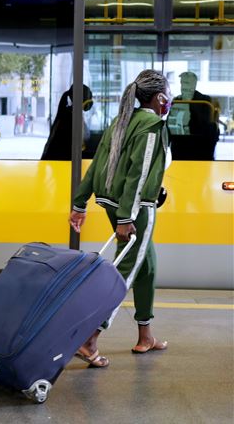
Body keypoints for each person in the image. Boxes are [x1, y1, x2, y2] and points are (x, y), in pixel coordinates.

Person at [69, 69, 171, 368]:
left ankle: (145, 336)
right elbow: (139, 175)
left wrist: (80, 202)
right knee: (124, 272)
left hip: (113, 202)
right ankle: (90, 339)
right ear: (159, 96)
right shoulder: (152, 125)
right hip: (135, 209)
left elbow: (97, 162)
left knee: (147, 266)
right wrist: (128, 216)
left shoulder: (122, 119)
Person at [173, 71, 218, 160]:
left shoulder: (204, 100)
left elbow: (204, 123)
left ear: (193, 85)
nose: (183, 86)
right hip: (180, 147)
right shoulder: (177, 100)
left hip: (199, 147)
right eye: (182, 82)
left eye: (186, 83)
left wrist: (188, 103)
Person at [41, 84, 93, 161]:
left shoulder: (72, 114)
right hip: (62, 163)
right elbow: (68, 147)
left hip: (62, 162)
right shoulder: (69, 117)